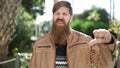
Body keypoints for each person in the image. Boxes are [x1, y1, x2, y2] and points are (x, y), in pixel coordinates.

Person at [29, 1, 116, 68]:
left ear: (71, 18)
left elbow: (106, 65)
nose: (60, 17)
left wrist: (107, 43)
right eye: (57, 14)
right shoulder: (39, 43)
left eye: (64, 14)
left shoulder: (85, 41)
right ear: (53, 16)